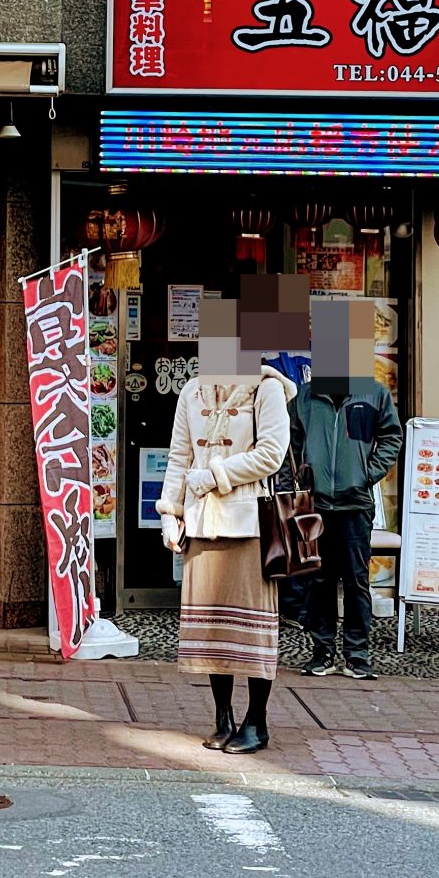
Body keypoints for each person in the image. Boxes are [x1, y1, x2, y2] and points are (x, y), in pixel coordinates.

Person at [157, 298, 293, 756]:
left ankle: (257, 722)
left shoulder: (267, 389)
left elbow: (272, 453)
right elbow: (179, 456)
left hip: (249, 523)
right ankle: (223, 718)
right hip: (200, 523)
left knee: (251, 630)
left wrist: (215, 475)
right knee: (212, 629)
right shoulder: (192, 391)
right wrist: (170, 512)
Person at [288, 300, 403, 680]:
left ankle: (357, 654)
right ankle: (322, 650)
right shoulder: (305, 396)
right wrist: (301, 478)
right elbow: (290, 442)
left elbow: (391, 436)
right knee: (318, 579)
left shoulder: (373, 393)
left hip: (354, 503)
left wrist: (367, 473)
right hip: (316, 503)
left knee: (356, 580)